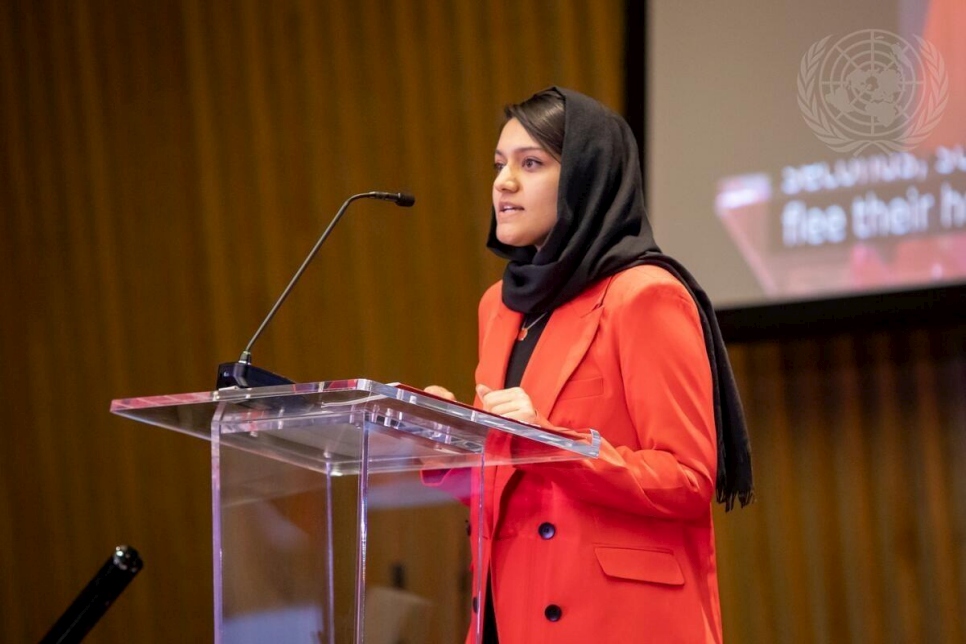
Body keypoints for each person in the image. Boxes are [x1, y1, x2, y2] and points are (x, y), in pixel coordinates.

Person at [426, 86, 753, 644]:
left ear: (586, 177)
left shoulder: (645, 295)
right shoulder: (499, 307)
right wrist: (445, 441)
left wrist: (551, 443)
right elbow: (515, 485)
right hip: (510, 613)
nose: (503, 183)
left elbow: (688, 479)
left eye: (531, 164)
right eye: (500, 165)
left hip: (617, 620)